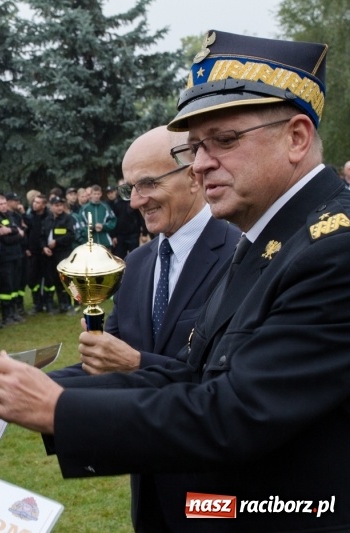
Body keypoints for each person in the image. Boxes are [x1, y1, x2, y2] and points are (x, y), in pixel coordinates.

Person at [0, 30, 350, 531]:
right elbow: (196, 376)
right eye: (196, 147)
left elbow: (235, 414)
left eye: (224, 140)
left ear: (296, 137)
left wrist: (60, 410)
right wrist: (33, 386)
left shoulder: (333, 248)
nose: (201, 163)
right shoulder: (268, 238)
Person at [49, 126, 241, 531]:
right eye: (130, 188)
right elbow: (108, 366)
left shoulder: (241, 253)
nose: (136, 200)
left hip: (216, 491)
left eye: (148, 184)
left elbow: (230, 387)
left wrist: (136, 363)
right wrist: (23, 385)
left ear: (193, 175)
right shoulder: (135, 264)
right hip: (150, 488)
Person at [0, 193, 25, 325]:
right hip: (5, 258)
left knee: (15, 286)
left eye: (5, 203)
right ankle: (6, 315)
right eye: (0, 204)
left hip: (16, 255)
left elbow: (19, 230)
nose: (4, 206)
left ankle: (13, 312)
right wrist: (16, 232)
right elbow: (5, 240)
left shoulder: (9, 216)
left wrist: (11, 230)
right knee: (6, 287)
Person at [41, 196, 76, 313]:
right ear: (51, 207)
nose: (59, 207)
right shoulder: (47, 220)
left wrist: (57, 241)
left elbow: (71, 235)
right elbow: (41, 236)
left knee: (68, 280)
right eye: (56, 205)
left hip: (64, 254)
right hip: (51, 256)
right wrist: (44, 247)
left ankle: (74, 303)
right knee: (56, 280)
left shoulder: (68, 219)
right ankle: (62, 304)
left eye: (61, 205)